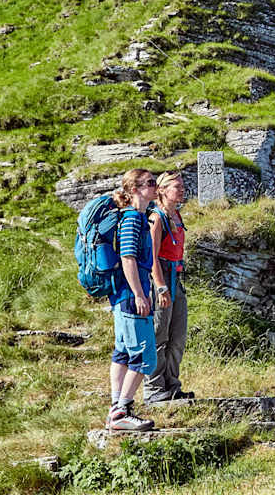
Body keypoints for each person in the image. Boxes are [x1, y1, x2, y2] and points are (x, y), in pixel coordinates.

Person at [106, 168, 159, 431]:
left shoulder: (134, 217)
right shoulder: (133, 219)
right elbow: (128, 258)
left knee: (123, 353)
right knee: (145, 355)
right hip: (130, 295)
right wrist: (140, 294)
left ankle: (116, 408)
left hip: (122, 295)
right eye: (150, 183)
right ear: (135, 189)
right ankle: (121, 411)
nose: (155, 186)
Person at [145, 171, 194, 402]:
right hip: (162, 279)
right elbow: (152, 257)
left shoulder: (177, 216)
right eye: (177, 186)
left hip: (176, 278)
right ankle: (154, 388)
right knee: (159, 335)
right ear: (162, 190)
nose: (182, 189)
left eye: (182, 185)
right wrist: (161, 287)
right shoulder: (156, 218)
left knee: (177, 336)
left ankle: (172, 386)